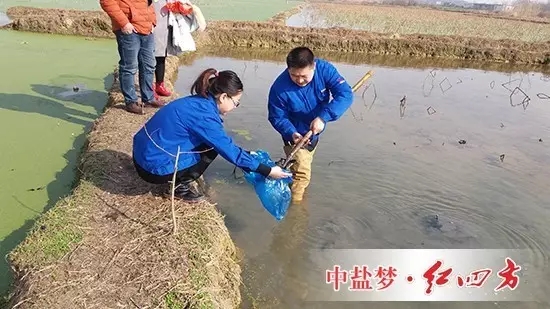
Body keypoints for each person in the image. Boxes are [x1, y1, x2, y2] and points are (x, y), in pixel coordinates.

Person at [132, 68, 292, 202]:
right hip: (151, 169)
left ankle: (177, 179)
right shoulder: (205, 116)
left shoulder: (197, 102)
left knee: (213, 143)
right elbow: (229, 151)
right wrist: (267, 171)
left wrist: (248, 155)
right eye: (236, 103)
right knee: (211, 148)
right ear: (223, 97)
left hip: (141, 156)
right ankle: (179, 187)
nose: (236, 107)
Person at [267, 46, 353, 203]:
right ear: (288, 70)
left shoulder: (324, 69)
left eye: (304, 76)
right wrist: (291, 133)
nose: (299, 80)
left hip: (316, 129)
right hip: (295, 136)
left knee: (302, 169)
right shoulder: (279, 88)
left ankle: (296, 191)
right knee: (302, 173)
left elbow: (345, 93)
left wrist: (323, 117)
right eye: (294, 75)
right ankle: (296, 209)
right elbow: (276, 117)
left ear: (313, 66)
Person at [100, 0, 165, 114]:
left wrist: (152, 22)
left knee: (148, 65)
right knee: (129, 66)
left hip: (146, 27)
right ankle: (131, 102)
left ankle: (149, 98)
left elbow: (148, 3)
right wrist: (124, 23)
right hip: (129, 29)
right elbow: (107, 1)